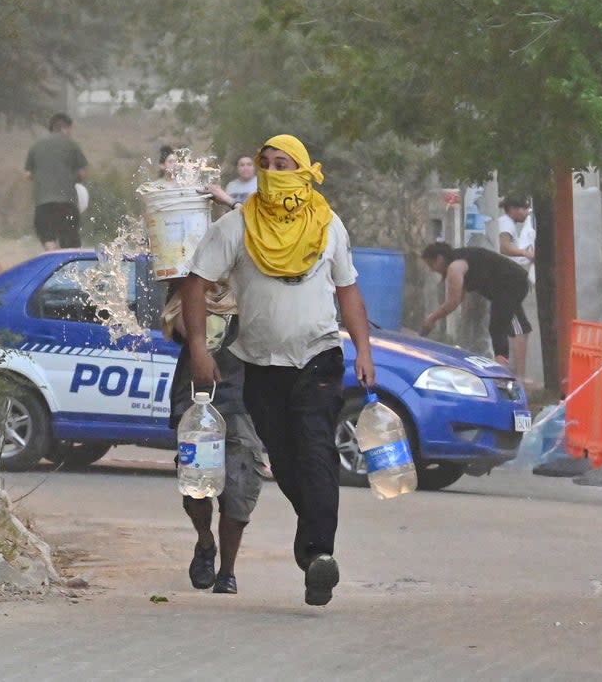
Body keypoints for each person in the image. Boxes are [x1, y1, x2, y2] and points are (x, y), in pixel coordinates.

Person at [180, 134, 374, 607]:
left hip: (319, 357)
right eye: (264, 162)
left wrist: (363, 350)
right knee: (285, 463)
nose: (271, 170)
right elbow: (196, 283)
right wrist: (200, 349)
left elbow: (347, 289)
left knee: (316, 451)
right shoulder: (237, 225)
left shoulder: (328, 226)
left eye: (281, 163)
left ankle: (316, 556)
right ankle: (312, 548)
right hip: (260, 366)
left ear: (303, 170)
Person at [162, 281, 265, 596]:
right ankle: (205, 542)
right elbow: (179, 327)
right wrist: (192, 290)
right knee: (198, 485)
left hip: (246, 401)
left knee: (240, 486)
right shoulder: (191, 284)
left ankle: (227, 572)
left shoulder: (260, 281)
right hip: (198, 397)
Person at [419, 243, 532, 377]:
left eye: (431, 265)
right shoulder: (460, 260)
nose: (432, 270)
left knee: (498, 327)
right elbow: (457, 300)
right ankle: (518, 375)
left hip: (511, 283)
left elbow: (453, 301)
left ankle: (504, 372)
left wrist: (432, 318)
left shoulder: (455, 267)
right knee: (517, 326)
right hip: (512, 282)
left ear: (439, 259)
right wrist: (434, 318)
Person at [24, 113, 88, 250]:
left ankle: (52, 253)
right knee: (70, 245)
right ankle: (68, 267)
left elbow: (28, 174)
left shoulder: (37, 146)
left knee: (47, 237)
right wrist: (71, 179)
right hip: (67, 203)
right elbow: (82, 173)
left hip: (44, 203)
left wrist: (43, 179)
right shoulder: (72, 145)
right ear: (66, 128)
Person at [497, 196, 536, 283]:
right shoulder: (506, 222)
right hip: (504, 273)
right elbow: (504, 247)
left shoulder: (508, 222)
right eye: (524, 209)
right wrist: (526, 253)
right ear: (512, 209)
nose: (527, 212)